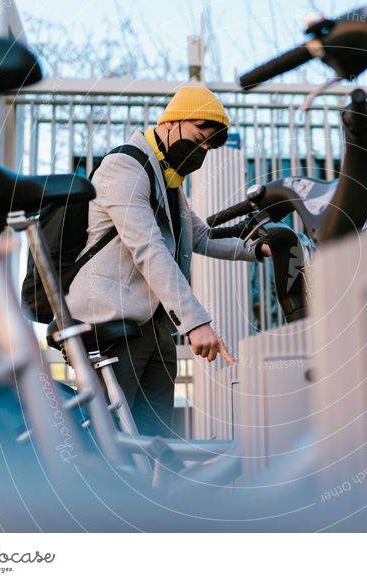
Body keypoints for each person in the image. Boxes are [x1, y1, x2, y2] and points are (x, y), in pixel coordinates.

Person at [67, 85, 270, 439]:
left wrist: (259, 249)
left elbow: (202, 237)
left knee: (156, 443)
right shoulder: (124, 167)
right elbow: (148, 248)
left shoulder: (167, 180)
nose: (201, 150)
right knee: (110, 442)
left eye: (208, 146)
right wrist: (194, 322)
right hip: (110, 326)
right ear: (173, 121)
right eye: (198, 137)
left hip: (152, 329)